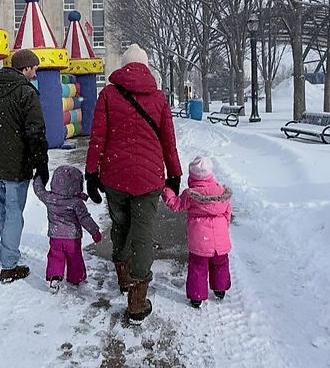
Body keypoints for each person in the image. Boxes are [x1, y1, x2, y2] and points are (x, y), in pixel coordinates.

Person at [84, 43, 182, 322]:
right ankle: (137, 302)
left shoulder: (108, 94)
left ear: (124, 65)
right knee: (143, 234)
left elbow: (97, 138)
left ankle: (123, 276)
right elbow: (168, 141)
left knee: (121, 226)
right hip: (149, 179)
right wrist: (174, 175)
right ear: (146, 66)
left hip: (114, 176)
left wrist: (91, 173)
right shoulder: (158, 98)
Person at [0, 48, 49, 284]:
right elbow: (35, 131)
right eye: (34, 68)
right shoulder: (26, 92)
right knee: (14, 211)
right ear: (26, 68)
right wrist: (41, 163)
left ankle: (8, 252)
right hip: (16, 164)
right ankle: (9, 265)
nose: (36, 72)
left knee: (3, 209)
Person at [161, 156, 232, 308]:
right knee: (220, 263)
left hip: (200, 240)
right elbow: (227, 213)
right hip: (220, 239)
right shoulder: (221, 192)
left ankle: (197, 297)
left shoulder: (191, 194)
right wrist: (224, 228)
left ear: (192, 176)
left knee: (198, 267)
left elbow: (175, 205)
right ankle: (220, 290)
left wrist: (167, 191)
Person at [32, 164, 103, 292]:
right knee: (74, 257)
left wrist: (38, 177)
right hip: (72, 238)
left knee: (55, 256)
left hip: (55, 236)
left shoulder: (50, 198)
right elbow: (84, 218)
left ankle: (55, 277)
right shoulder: (76, 202)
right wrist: (95, 231)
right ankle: (76, 278)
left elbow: (39, 191)